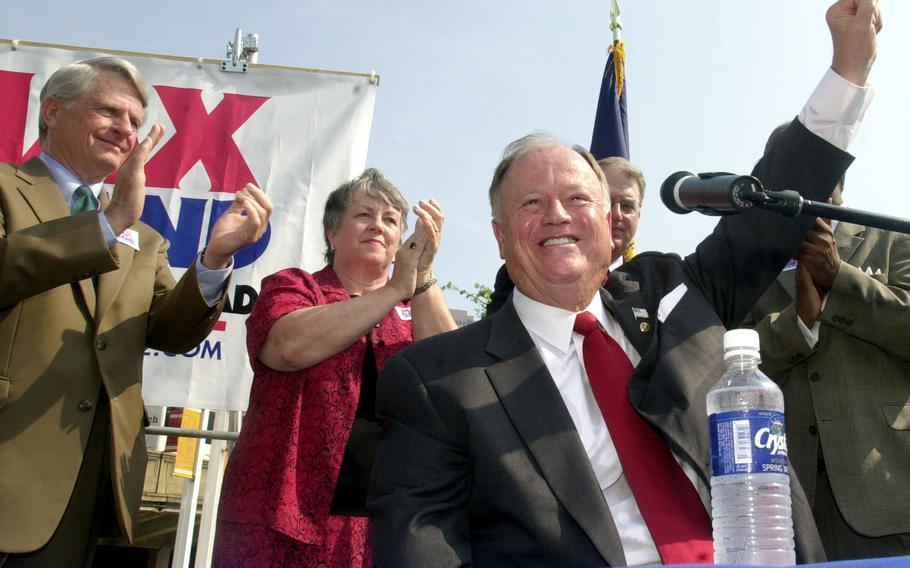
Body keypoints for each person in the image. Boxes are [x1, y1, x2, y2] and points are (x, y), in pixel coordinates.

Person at [367, 1, 880, 565]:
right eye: (532, 203)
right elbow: (420, 545)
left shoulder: (675, 293)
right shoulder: (438, 380)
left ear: (610, 224)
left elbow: (768, 208)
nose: (559, 215)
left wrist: (847, 69)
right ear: (499, 235)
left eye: (578, 198)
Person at [0, 57, 272, 566]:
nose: (125, 130)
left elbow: (170, 330)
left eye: (134, 121)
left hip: (83, 479)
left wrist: (213, 261)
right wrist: (106, 226)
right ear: (53, 111)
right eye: (108, 111)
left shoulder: (143, 239)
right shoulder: (6, 188)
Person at [213, 168, 457, 566]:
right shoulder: (296, 287)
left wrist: (423, 274)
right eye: (364, 215)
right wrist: (395, 287)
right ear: (332, 232)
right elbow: (287, 348)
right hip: (280, 518)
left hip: (387, 525)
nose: (378, 226)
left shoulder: (416, 307)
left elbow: (450, 380)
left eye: (391, 220)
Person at [746, 131, 910, 559]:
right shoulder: (742, 262)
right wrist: (797, 323)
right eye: (789, 166)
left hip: (890, 483)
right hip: (789, 497)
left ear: (840, 176)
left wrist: (841, 278)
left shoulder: (893, 238)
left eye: (819, 165)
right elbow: (723, 356)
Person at [486, 155, 646, 315]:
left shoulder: (651, 286)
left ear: (638, 217)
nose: (617, 214)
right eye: (609, 202)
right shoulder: (520, 275)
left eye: (627, 206)